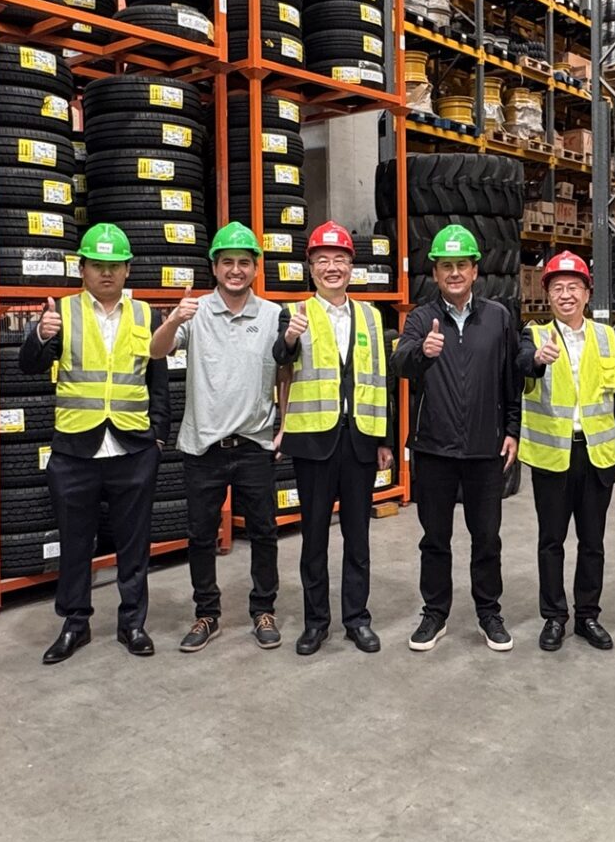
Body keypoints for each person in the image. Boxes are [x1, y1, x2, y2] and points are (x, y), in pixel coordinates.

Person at [21, 222, 172, 664]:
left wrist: (158, 438)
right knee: (74, 542)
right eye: (97, 265)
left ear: (128, 270)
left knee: (134, 544)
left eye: (114, 265)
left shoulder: (146, 315)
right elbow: (28, 365)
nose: (106, 273)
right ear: (82, 269)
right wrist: (40, 335)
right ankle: (75, 624)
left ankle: (133, 623)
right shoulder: (62, 313)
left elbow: (158, 381)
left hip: (133, 448)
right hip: (75, 450)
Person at [392, 223, 533, 652]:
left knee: (486, 538)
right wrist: (422, 352)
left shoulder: (498, 317)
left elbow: (511, 379)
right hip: (433, 449)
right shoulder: (421, 318)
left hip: (484, 449)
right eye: (446, 266)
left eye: (462, 265)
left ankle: (489, 613)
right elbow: (400, 363)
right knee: (435, 539)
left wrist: (512, 430)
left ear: (475, 270)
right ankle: (435, 614)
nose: (454, 273)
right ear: (435, 272)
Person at [151, 220, 285, 653]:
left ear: (256, 268)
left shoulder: (272, 316)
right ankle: (206, 614)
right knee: (201, 535)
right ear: (214, 266)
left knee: (264, 532)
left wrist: (283, 425)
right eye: (227, 261)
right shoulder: (195, 312)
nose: (236, 270)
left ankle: (263, 610)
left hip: (254, 444)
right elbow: (156, 351)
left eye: (244, 262)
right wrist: (173, 319)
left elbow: (286, 371)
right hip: (203, 445)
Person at [272, 221, 394, 656]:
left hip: (360, 440)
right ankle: (316, 623)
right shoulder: (296, 312)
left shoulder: (371, 316)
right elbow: (280, 358)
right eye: (322, 260)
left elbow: (379, 378)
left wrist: (384, 440)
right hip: (314, 441)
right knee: (315, 538)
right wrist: (289, 338)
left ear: (351, 267)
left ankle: (357, 619)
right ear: (311, 268)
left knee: (358, 536)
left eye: (339, 259)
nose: (331, 267)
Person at [519, 251, 615, 652]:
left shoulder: (611, 338)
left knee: (592, 542)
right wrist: (537, 360)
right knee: (551, 541)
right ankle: (554, 616)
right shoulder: (533, 336)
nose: (565, 295)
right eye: (557, 288)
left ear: (587, 293)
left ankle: (588, 616)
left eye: (573, 287)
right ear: (547, 294)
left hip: (597, 456)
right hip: (553, 456)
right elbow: (521, 365)